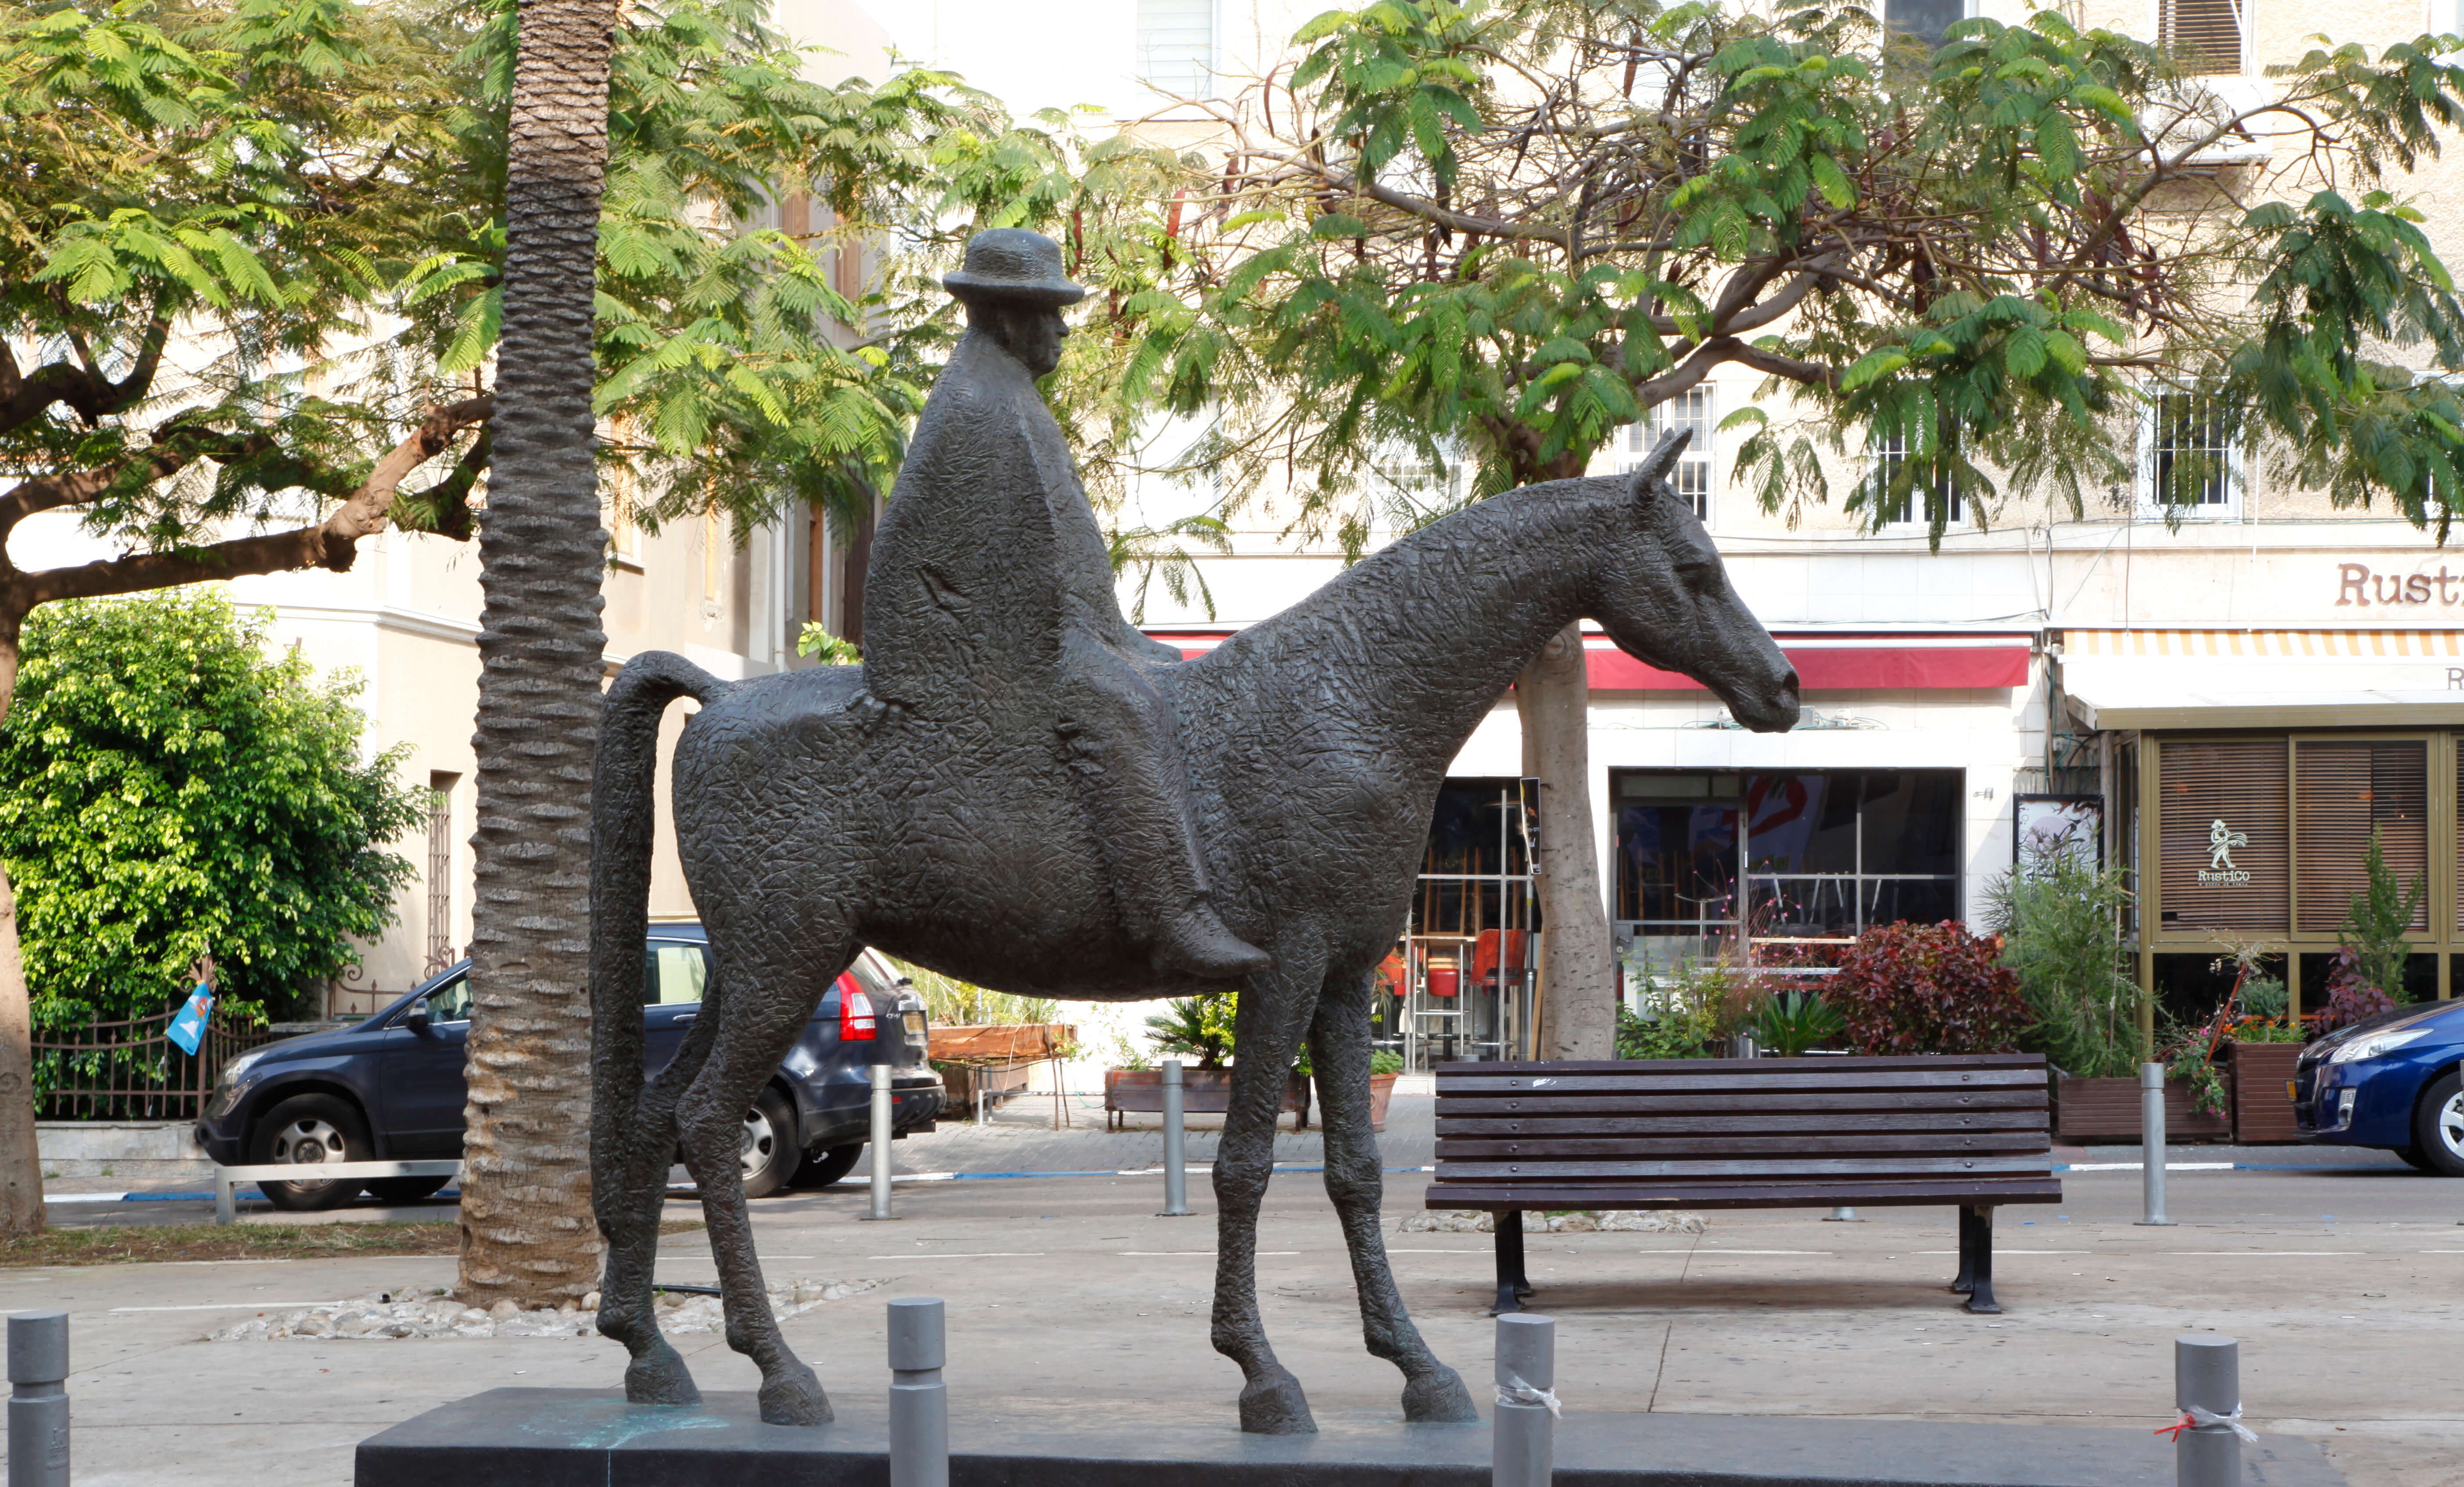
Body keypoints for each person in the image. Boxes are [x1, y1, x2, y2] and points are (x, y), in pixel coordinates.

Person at [860, 229, 1269, 981]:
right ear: (1010, 316)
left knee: (1157, 677)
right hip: (975, 649)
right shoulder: (982, 403)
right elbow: (1018, 569)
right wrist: (1098, 655)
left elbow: (1060, 559)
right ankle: (1170, 912)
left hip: (1020, 630)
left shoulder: (1006, 393)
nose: (1064, 327)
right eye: (1050, 313)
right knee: (1120, 705)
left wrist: (1124, 638)